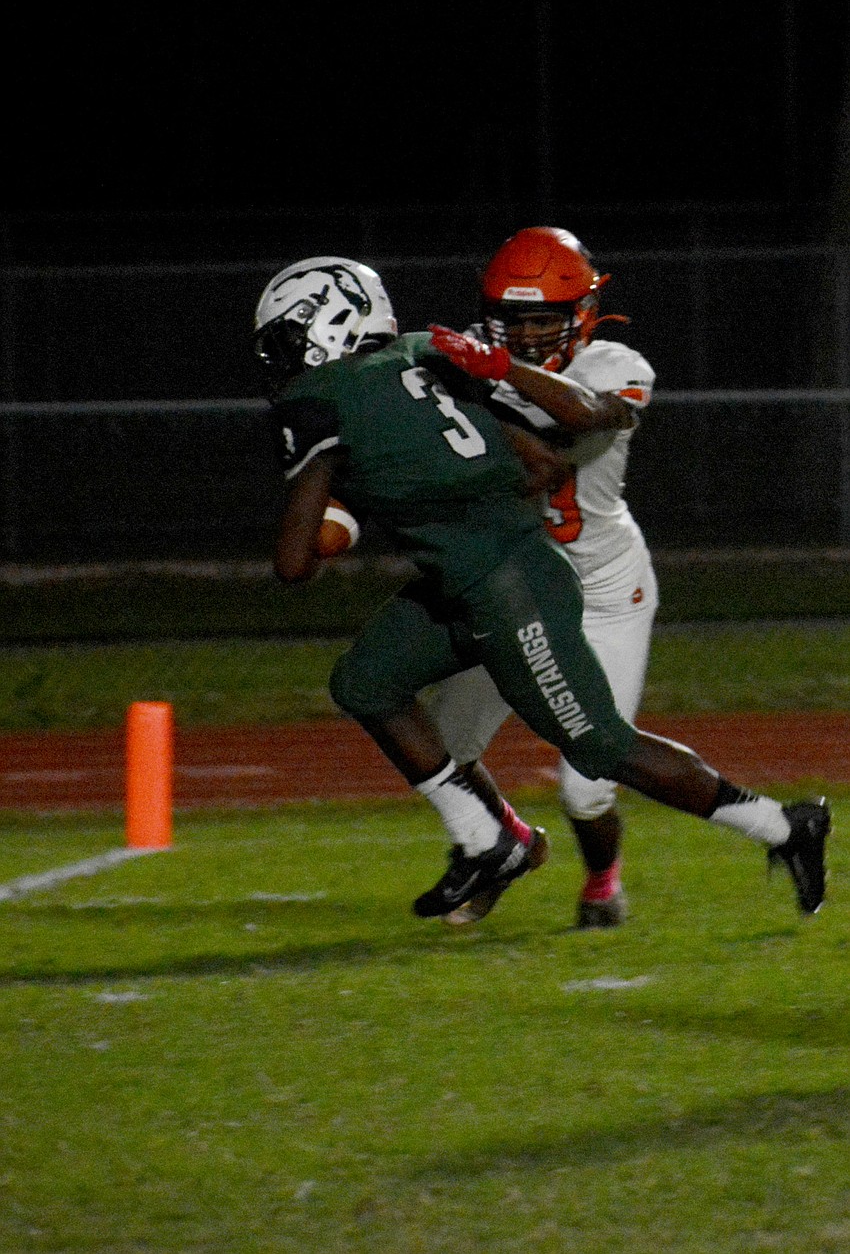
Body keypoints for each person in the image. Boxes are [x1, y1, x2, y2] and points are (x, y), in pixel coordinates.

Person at [255, 254, 831, 923]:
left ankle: (784, 825)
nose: (527, 332)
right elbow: (542, 465)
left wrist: (394, 487)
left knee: (599, 750)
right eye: (514, 319)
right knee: (366, 682)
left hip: (532, 583)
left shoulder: (335, 395)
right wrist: (432, 494)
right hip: (485, 572)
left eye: (284, 340)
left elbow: (293, 565)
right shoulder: (424, 353)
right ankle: (492, 841)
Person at [419, 226, 656, 928]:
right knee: (443, 747)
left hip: (603, 588)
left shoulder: (614, 364)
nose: (525, 334)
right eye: (512, 319)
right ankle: (508, 844)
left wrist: (494, 373)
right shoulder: (468, 357)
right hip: (513, 581)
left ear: (582, 313)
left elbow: (583, 417)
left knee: (588, 784)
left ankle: (602, 879)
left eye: (542, 319)